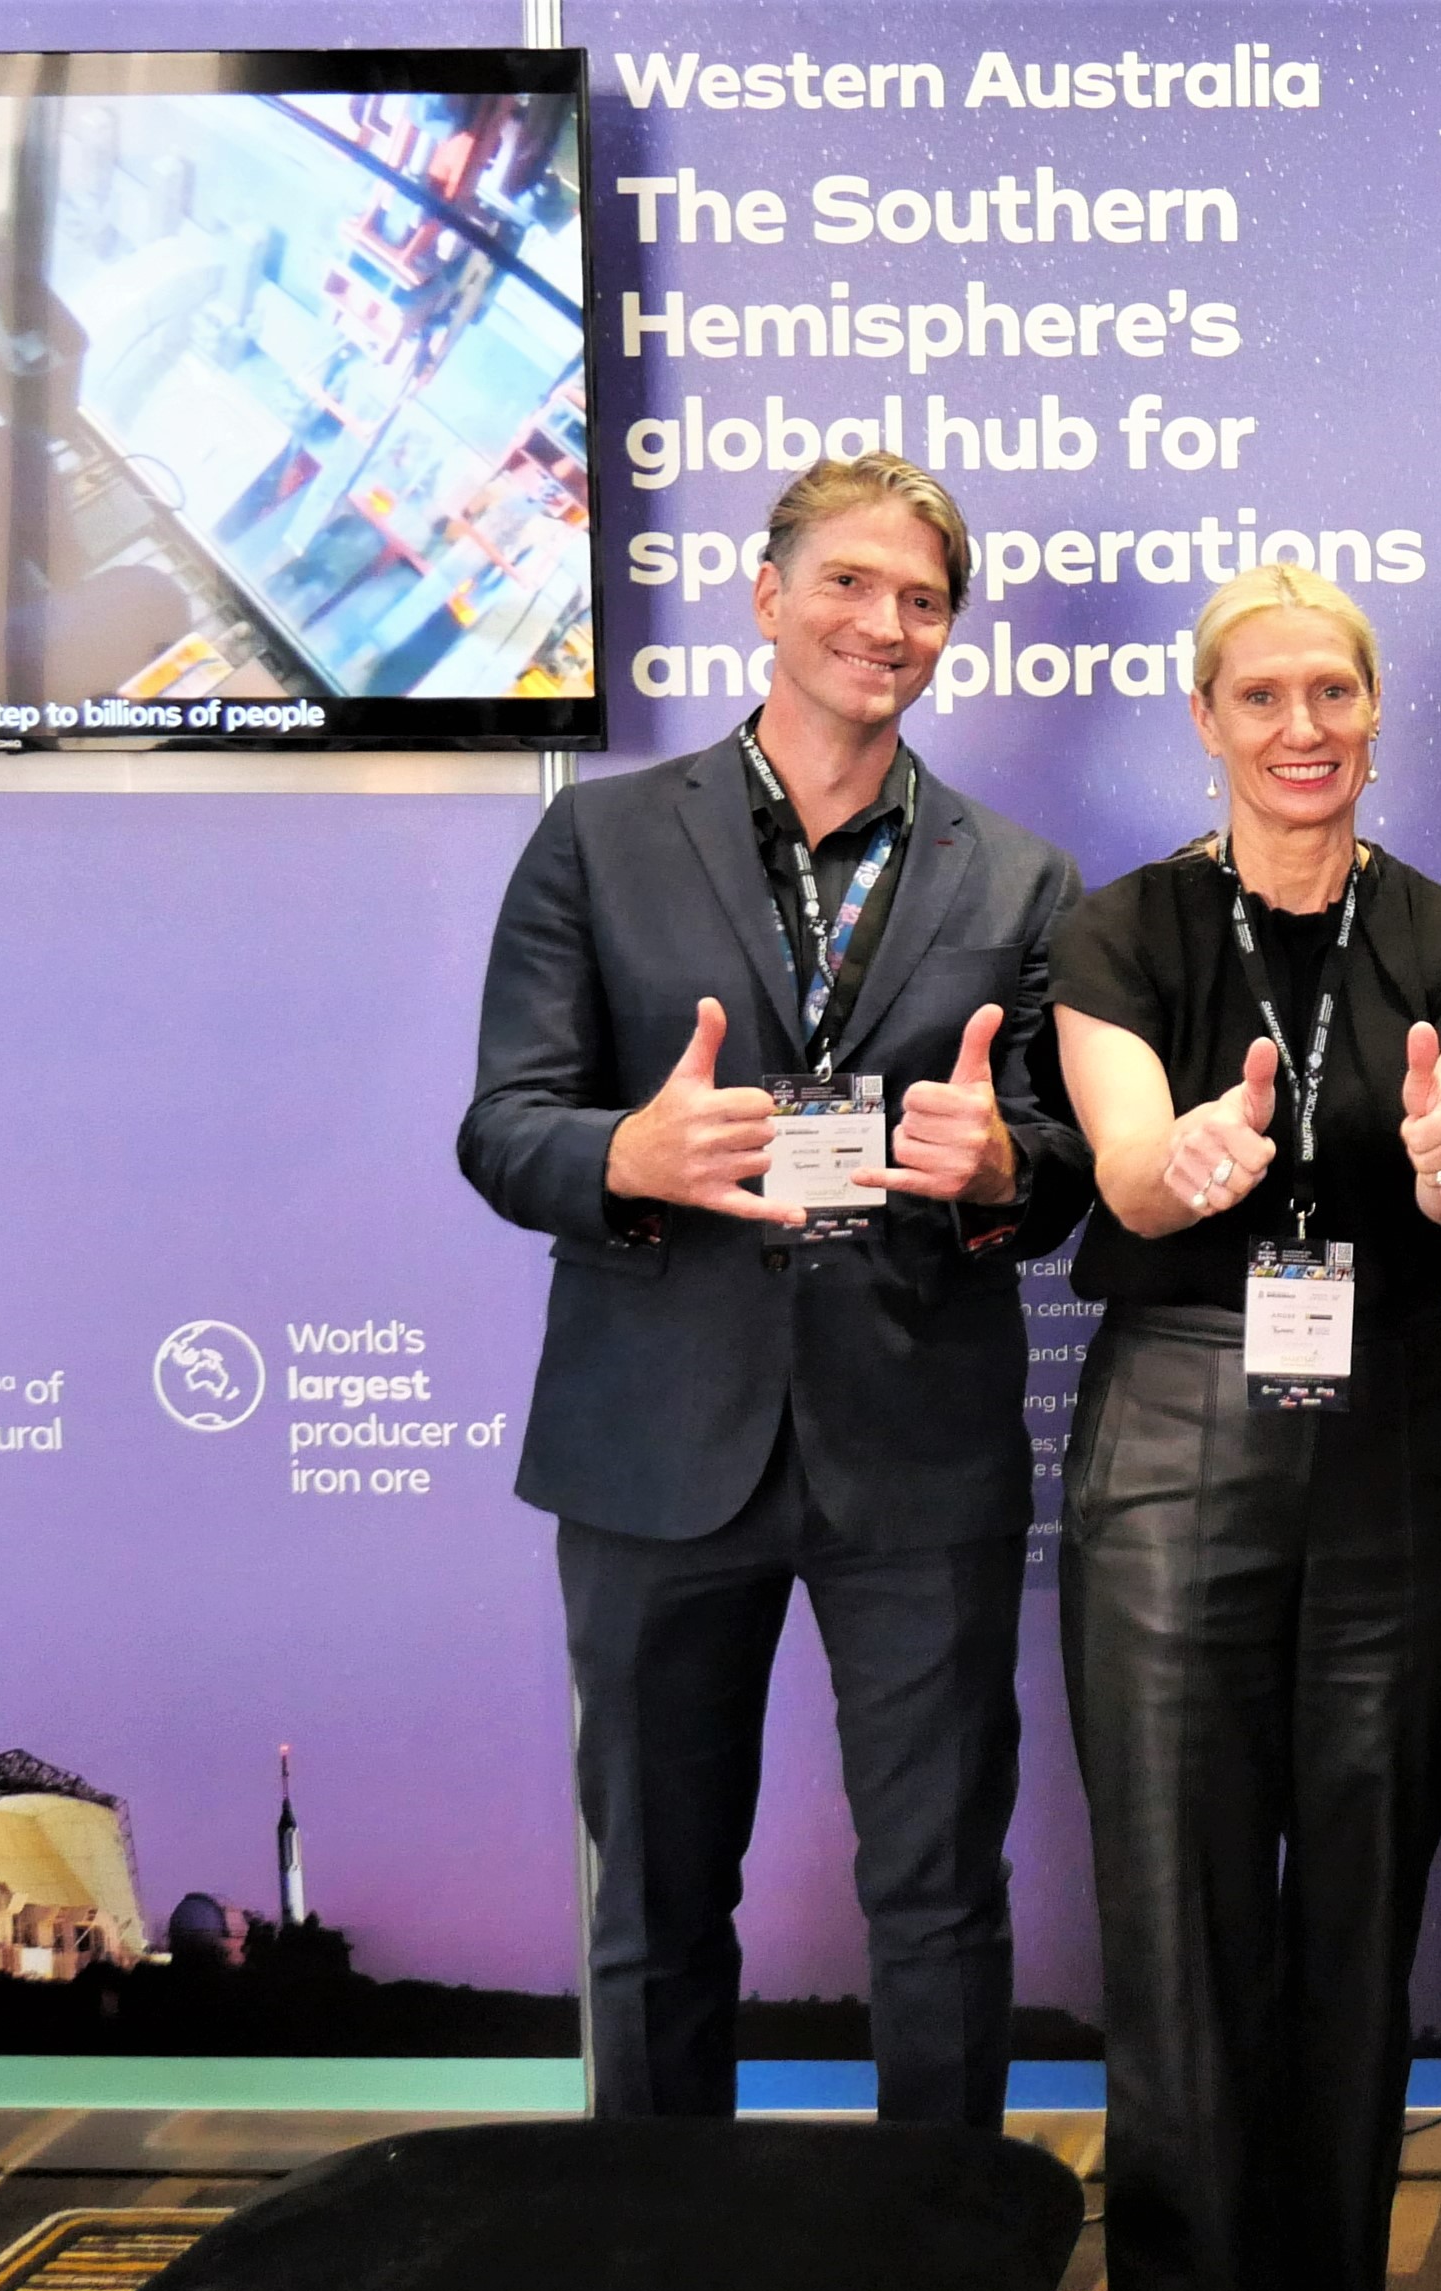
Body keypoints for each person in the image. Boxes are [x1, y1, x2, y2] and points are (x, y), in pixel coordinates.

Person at [458, 453, 1089, 2126]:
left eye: (922, 600)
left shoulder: (1019, 880)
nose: (884, 626)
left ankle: (942, 2266)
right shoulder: (595, 841)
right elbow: (501, 1126)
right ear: (767, 594)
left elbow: (1064, 1165)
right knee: (658, 1908)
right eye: (850, 584)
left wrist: (1004, 1167)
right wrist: (627, 1156)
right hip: (656, 1441)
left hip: (916, 1448)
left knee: (940, 1898)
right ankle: (662, 2265)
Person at [1046, 563, 1441, 2291]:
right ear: (1206, 719)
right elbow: (1116, 1158)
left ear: (1374, 711)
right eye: (1261, 697)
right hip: (1175, 1420)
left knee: (1357, 1903)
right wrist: (1174, 1165)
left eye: (1332, 692)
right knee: (1174, 1914)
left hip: (1388, 1429)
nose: (1301, 727)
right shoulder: (1122, 931)